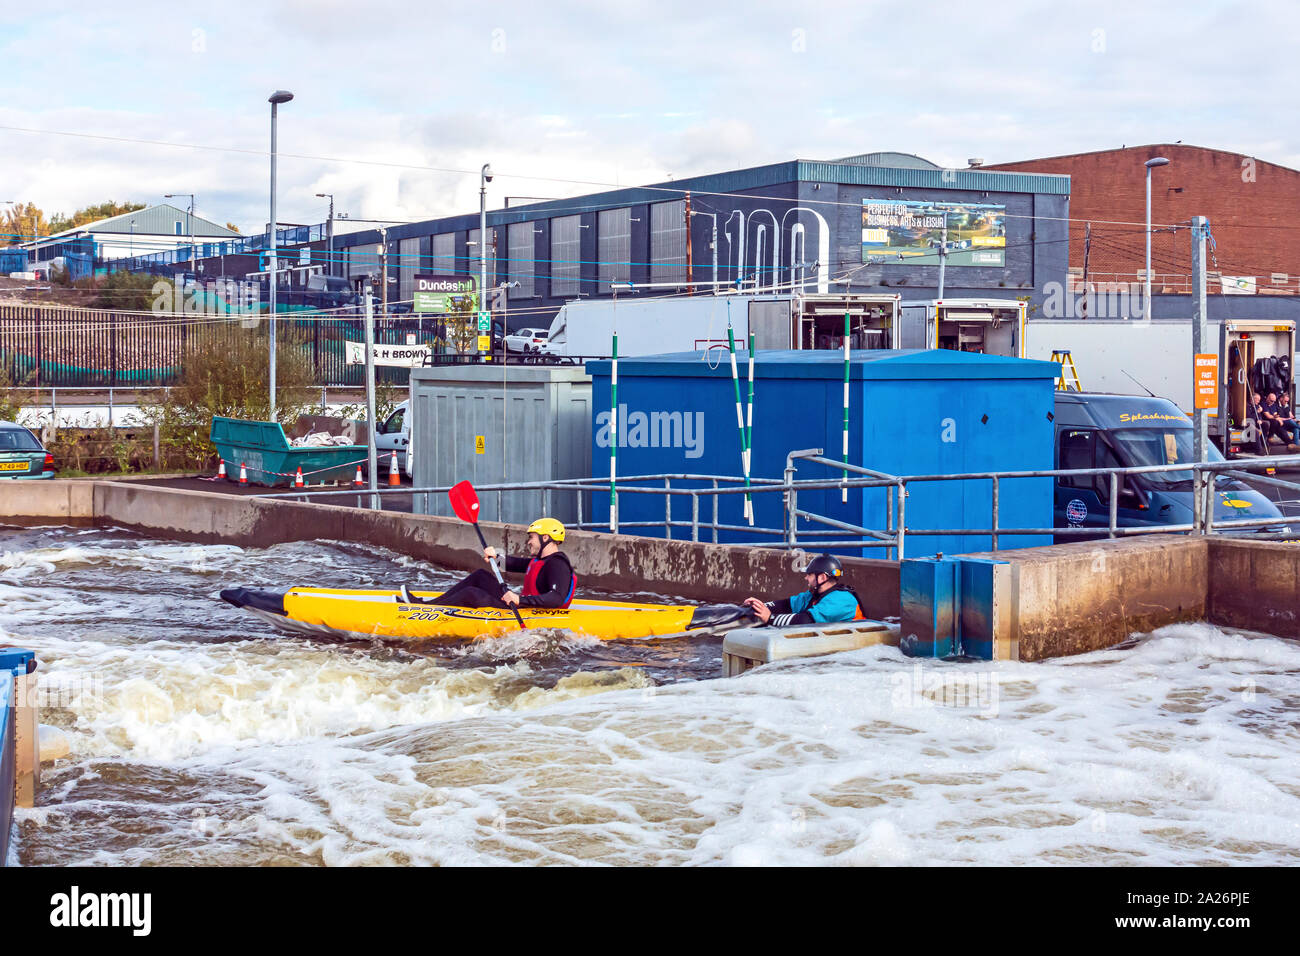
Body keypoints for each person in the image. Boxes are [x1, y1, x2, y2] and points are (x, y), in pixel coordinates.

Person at [400, 518, 576, 609]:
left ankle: (430, 611)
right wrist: (496, 556)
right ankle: (428, 605)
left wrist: (519, 599)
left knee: (471, 593)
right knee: (480, 576)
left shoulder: (557, 564)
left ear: (546, 538)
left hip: (527, 610)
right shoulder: (541, 560)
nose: (529, 542)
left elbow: (556, 598)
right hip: (523, 605)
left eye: (532, 537)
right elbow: (516, 564)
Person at [742, 554, 866, 627]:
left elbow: (805, 620)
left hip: (857, 648)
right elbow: (786, 605)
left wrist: (770, 618)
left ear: (822, 577)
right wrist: (759, 607)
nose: (806, 577)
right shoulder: (814, 595)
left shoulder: (841, 599)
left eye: (809, 574)